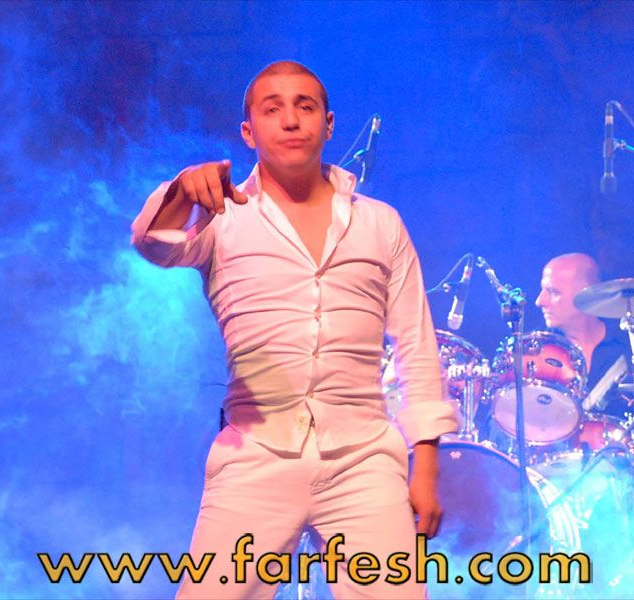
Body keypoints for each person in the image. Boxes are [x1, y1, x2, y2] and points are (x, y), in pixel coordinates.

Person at [131, 60, 457, 599]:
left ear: (328, 125)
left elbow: (417, 347)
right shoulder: (220, 216)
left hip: (363, 459)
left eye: (305, 107)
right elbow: (152, 244)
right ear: (248, 131)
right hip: (253, 453)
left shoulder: (380, 223)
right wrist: (182, 189)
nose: (290, 120)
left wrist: (425, 469)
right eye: (272, 108)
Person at [534, 252, 630, 416]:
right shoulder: (536, 351)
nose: (539, 301)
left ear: (587, 296)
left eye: (553, 292)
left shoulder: (627, 349)